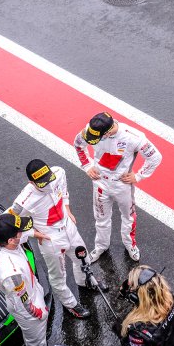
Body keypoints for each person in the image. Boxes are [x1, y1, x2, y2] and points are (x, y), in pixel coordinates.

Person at [73, 112, 162, 263]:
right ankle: (101, 246)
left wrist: (138, 176)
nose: (93, 139)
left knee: (129, 217)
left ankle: (130, 245)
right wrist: (87, 165)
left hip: (123, 185)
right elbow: (78, 144)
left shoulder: (133, 136)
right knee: (101, 218)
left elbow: (155, 157)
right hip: (100, 183)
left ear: (107, 133)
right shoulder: (91, 130)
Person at [9, 159, 91, 320]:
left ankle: (86, 281)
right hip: (50, 239)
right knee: (58, 276)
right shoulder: (23, 201)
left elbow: (64, 188)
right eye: (42, 182)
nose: (47, 184)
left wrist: (67, 208)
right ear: (31, 182)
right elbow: (9, 223)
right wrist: (34, 233)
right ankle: (70, 304)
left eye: (48, 178)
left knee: (84, 258)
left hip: (68, 227)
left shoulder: (58, 172)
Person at [0, 213, 51, 346]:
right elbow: (24, 303)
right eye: (19, 232)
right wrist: (39, 314)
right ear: (10, 240)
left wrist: (35, 234)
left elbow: (19, 237)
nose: (22, 233)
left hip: (30, 288)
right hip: (26, 307)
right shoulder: (11, 273)